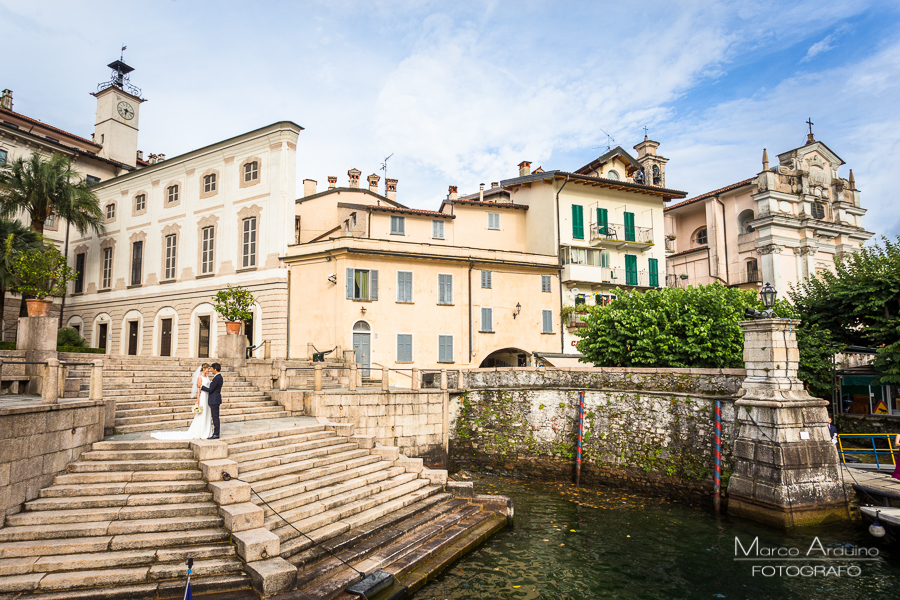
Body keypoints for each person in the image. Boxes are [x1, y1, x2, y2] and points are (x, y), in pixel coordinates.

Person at [151, 364, 213, 440]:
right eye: (208, 369)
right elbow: (198, 390)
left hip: (208, 397)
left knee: (207, 413)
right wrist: (198, 400)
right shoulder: (199, 378)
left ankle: (207, 430)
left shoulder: (207, 377)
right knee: (202, 413)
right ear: (204, 369)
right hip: (203, 397)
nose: (209, 370)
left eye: (209, 369)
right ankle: (201, 431)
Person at [202, 363, 223, 439]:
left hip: (214, 399)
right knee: (215, 417)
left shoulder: (217, 378)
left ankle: (216, 434)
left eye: (212, 369)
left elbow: (211, 390)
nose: (211, 370)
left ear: (215, 369)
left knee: (215, 417)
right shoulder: (218, 377)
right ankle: (216, 432)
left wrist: (202, 387)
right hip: (215, 399)